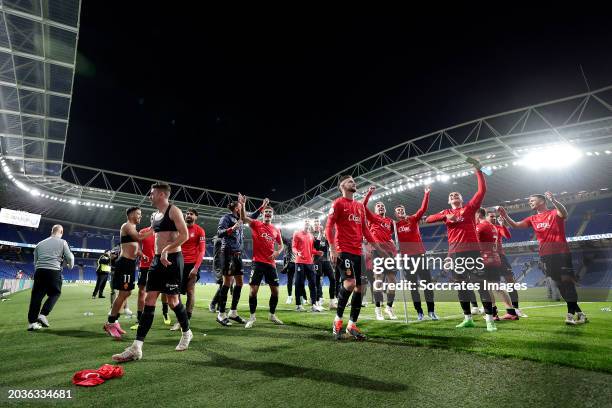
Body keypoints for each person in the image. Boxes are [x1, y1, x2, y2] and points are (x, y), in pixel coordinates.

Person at [112, 182, 192, 362]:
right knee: (149, 299)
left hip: (172, 260)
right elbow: (153, 233)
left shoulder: (174, 211)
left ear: (162, 195)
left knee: (173, 301)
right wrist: (138, 236)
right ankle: (136, 347)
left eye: (152, 193)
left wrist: (166, 249)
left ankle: (187, 333)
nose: (150, 196)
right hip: (157, 261)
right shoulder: (155, 215)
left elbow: (184, 235)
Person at [425, 159, 498, 332]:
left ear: (461, 199)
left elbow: (482, 191)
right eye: (451, 196)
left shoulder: (470, 209)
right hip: (455, 254)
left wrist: (478, 171)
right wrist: (444, 217)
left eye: (456, 195)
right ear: (448, 201)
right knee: (461, 286)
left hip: (472, 252)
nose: (453, 196)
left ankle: (489, 319)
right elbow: (427, 219)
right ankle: (468, 318)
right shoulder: (446, 213)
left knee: (481, 285)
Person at [498, 192, 588, 325]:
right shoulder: (533, 218)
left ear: (542, 201)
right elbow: (516, 225)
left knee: (567, 283)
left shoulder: (554, 213)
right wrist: (505, 216)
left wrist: (554, 200)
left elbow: (564, 213)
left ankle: (570, 315)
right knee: (560, 284)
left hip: (561, 252)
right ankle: (580, 314)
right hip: (546, 255)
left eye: (532, 200)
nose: (530, 202)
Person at [325, 175, 391, 340]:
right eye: (349, 181)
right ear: (342, 186)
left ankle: (351, 325)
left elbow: (365, 231)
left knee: (361, 288)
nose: (354, 183)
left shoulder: (360, 207)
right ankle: (337, 321)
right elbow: (329, 226)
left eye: (354, 181)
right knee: (350, 284)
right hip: (343, 250)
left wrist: (378, 247)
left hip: (357, 252)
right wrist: (332, 248)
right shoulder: (338, 203)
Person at [215, 198, 268, 325]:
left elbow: (253, 216)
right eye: (241, 207)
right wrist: (232, 228)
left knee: (239, 283)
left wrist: (262, 206)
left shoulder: (241, 218)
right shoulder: (226, 218)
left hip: (238, 254)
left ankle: (233, 312)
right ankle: (221, 314)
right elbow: (219, 233)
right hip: (227, 253)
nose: (243, 209)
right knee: (227, 283)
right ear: (236, 208)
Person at [237, 194, 284, 328]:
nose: (268, 214)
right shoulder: (256, 224)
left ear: (272, 215)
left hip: (271, 264)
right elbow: (243, 218)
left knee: (275, 291)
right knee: (253, 291)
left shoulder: (276, 230)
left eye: (270, 212)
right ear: (263, 214)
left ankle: (272, 314)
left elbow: (281, 245)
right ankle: (252, 317)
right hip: (257, 262)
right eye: (266, 212)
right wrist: (243, 205)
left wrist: (277, 252)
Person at [395, 186, 438, 320]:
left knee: (427, 285)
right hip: (407, 259)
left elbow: (423, 209)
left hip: (421, 256)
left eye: (402, 210)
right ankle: (419, 312)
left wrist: (426, 193)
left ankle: (431, 311)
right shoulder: (395, 226)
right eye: (398, 211)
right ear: (396, 214)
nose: (400, 211)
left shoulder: (413, 219)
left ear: (404, 211)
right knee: (414, 287)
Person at [104, 207, 148, 339]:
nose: (140, 216)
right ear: (131, 214)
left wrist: (142, 254)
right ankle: (110, 322)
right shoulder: (127, 225)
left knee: (127, 293)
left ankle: (114, 321)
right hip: (124, 263)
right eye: (138, 214)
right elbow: (139, 237)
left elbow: (134, 246)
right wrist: (154, 228)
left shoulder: (132, 228)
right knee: (123, 293)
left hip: (130, 264)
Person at [362, 186, 399, 320]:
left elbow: (390, 235)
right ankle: (378, 310)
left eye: (382, 206)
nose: (380, 207)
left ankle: (389, 307)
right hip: (377, 252)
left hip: (390, 253)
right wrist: (370, 192)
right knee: (378, 280)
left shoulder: (390, 222)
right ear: (375, 209)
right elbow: (363, 205)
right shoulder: (372, 217)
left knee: (393, 281)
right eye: (378, 206)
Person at [27, 224, 74, 331]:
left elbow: (35, 261)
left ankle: (32, 324)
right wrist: (70, 266)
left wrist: (39, 270)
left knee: (36, 297)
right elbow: (70, 257)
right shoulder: (63, 242)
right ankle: (43, 314)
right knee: (55, 293)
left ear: (52, 231)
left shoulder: (39, 244)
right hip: (54, 271)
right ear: (61, 232)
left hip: (39, 271)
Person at [475, 208, 518, 320]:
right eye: (491, 216)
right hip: (495, 257)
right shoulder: (493, 227)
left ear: (478, 214)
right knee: (497, 287)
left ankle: (493, 314)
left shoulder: (480, 226)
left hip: (485, 259)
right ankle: (511, 311)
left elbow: (476, 244)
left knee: (486, 288)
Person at [170, 208, 205, 331]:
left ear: (196, 217)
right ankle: (180, 319)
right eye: (187, 213)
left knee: (190, 292)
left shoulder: (200, 231)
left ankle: (187, 320)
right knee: (176, 293)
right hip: (178, 263)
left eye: (191, 214)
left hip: (192, 265)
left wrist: (196, 267)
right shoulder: (179, 228)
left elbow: (202, 251)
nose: (188, 215)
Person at [489, 212, 527, 317]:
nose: (494, 218)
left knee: (510, 282)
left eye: (494, 217)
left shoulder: (498, 227)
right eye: (491, 216)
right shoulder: (481, 227)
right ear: (486, 217)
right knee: (491, 285)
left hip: (500, 256)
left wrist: (502, 225)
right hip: (489, 258)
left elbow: (507, 236)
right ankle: (492, 311)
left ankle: (516, 308)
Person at [293, 219, 323, 312]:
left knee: (313, 283)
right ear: (302, 224)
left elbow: (312, 250)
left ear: (309, 225)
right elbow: (293, 247)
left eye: (308, 222)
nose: (307, 223)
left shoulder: (310, 236)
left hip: (310, 263)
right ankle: (298, 305)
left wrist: (318, 252)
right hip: (299, 262)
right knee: (299, 283)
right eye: (305, 221)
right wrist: (297, 253)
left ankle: (313, 304)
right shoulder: (297, 234)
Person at [312, 218, 337, 309]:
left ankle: (332, 302)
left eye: (318, 222)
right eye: (315, 223)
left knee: (333, 279)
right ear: (313, 225)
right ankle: (317, 301)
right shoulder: (311, 235)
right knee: (318, 281)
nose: (316, 224)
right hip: (317, 260)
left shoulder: (325, 234)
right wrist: (320, 234)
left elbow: (328, 245)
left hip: (326, 260)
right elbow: (316, 247)